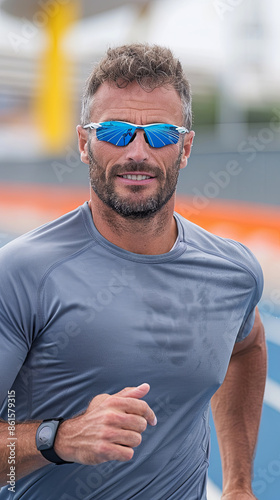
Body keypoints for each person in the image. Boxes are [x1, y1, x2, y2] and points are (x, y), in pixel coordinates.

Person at [0, 44, 267, 500]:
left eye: (160, 135)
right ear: (85, 144)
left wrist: (239, 482)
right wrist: (59, 439)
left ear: (184, 149)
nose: (138, 152)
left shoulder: (232, 271)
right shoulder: (22, 273)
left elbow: (247, 347)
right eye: (117, 132)